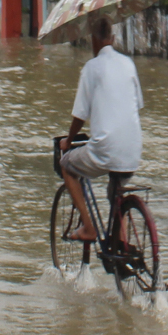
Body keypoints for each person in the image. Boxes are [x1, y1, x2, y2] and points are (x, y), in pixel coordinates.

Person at [58, 16, 144, 243]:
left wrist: (69, 140)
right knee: (114, 194)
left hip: (105, 149)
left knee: (66, 165)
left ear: (93, 40)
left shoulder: (91, 68)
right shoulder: (128, 64)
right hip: (133, 149)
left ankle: (89, 227)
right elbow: (137, 105)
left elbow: (80, 115)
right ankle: (121, 244)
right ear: (112, 39)